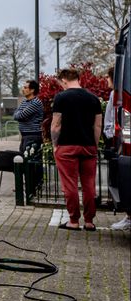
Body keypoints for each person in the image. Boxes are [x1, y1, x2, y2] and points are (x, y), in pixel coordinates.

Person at [50, 68, 104, 231]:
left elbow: (56, 125)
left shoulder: (61, 97)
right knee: (89, 184)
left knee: (70, 184)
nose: (61, 86)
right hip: (88, 146)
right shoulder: (93, 98)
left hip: (67, 146)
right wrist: (93, 145)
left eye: (60, 82)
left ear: (64, 79)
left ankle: (73, 221)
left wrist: (54, 145)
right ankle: (89, 221)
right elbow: (97, 125)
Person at [103, 66, 130, 231]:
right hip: (116, 136)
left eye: (108, 77)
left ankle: (128, 217)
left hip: (116, 139)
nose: (106, 80)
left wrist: (110, 135)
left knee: (120, 178)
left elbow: (111, 117)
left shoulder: (116, 94)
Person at [14, 79, 44, 160]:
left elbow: (21, 115)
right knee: (22, 160)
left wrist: (21, 116)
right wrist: (21, 116)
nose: (23, 89)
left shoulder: (36, 102)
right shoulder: (24, 102)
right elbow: (15, 115)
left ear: (32, 90)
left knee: (31, 162)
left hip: (33, 136)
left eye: (25, 87)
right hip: (25, 136)